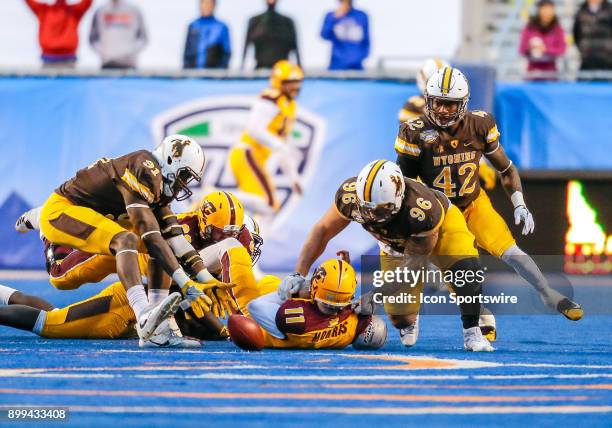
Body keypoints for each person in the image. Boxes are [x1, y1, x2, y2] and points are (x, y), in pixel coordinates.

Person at [394, 66, 583, 324]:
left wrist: (519, 203)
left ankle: (547, 293)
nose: (442, 110)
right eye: (438, 102)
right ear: (428, 99)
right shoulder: (414, 130)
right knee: (457, 271)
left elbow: (506, 168)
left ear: (463, 104)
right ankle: (482, 316)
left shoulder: (480, 124)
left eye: (450, 104)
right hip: (439, 210)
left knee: (511, 251)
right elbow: (405, 185)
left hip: (473, 202)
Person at [17, 135, 234, 347]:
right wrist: (187, 283)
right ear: (169, 161)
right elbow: (149, 235)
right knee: (112, 249)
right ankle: (143, 314)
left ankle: (157, 329)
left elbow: (175, 240)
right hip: (63, 209)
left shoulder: (157, 187)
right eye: (184, 175)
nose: (183, 184)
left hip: (102, 215)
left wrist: (205, 278)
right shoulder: (144, 167)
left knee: (161, 244)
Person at [280, 160, 495, 352]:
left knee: (464, 270)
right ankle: (420, 300)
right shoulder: (349, 196)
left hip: (439, 230)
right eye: (367, 209)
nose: (371, 216)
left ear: (399, 199)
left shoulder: (421, 212)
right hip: (393, 244)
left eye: (380, 210)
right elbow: (322, 231)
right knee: (401, 318)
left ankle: (472, 331)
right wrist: (298, 273)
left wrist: (375, 296)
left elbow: (412, 266)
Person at [399, 58, 497, 191]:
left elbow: (467, 137)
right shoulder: (413, 105)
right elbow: (422, 139)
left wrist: (481, 163)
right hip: (426, 167)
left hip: (453, 168)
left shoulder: (455, 106)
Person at [247, 256, 387, 350]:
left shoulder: (300, 320)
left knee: (266, 283)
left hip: (259, 325)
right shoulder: (348, 324)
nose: (334, 310)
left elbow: (254, 306)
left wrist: (297, 291)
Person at [228, 60, 304, 225]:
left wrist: (294, 178)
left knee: (266, 207)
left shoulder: (289, 106)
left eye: (297, 82)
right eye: (290, 83)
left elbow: (283, 148)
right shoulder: (271, 98)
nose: (295, 87)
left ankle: (251, 241)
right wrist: (277, 144)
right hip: (247, 153)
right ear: (279, 82)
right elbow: (254, 129)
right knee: (269, 204)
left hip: (254, 157)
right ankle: (214, 197)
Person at [24, 0, 93, 68]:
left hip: (68, 59)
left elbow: (87, 2)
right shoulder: (43, 10)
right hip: (49, 59)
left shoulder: (73, 11)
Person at [89, 0, 147, 70]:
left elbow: (143, 37)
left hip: (129, 64)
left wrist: (130, 52)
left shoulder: (134, 10)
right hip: (107, 64)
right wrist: (104, 52)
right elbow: (93, 38)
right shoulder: (100, 11)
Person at [242, 0, 300, 69]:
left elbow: (296, 47)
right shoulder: (255, 21)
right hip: (261, 67)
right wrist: (241, 68)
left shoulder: (287, 22)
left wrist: (299, 67)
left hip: (282, 70)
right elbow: (246, 46)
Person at [519, 0, 566, 79]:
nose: (547, 13)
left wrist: (546, 50)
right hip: (532, 74)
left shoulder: (557, 29)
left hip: (551, 74)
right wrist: (530, 49)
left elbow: (561, 49)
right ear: (539, 10)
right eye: (544, 10)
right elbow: (522, 49)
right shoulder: (529, 28)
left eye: (550, 10)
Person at [320, 0, 370, 70]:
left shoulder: (361, 16)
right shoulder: (331, 15)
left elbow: (366, 39)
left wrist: (361, 56)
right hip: (337, 65)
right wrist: (334, 18)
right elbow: (324, 35)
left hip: (356, 65)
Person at [183, 0, 231, 69]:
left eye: (209, 4)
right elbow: (186, 52)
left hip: (212, 75)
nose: (206, 7)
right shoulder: (193, 25)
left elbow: (227, 53)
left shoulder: (221, 27)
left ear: (214, 5)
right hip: (193, 74)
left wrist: (220, 75)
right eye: (204, 3)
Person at [573, 0, 612, 76]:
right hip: (587, 59)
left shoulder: (610, 9)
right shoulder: (581, 10)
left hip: (608, 59)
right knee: (583, 86)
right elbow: (576, 33)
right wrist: (583, 49)